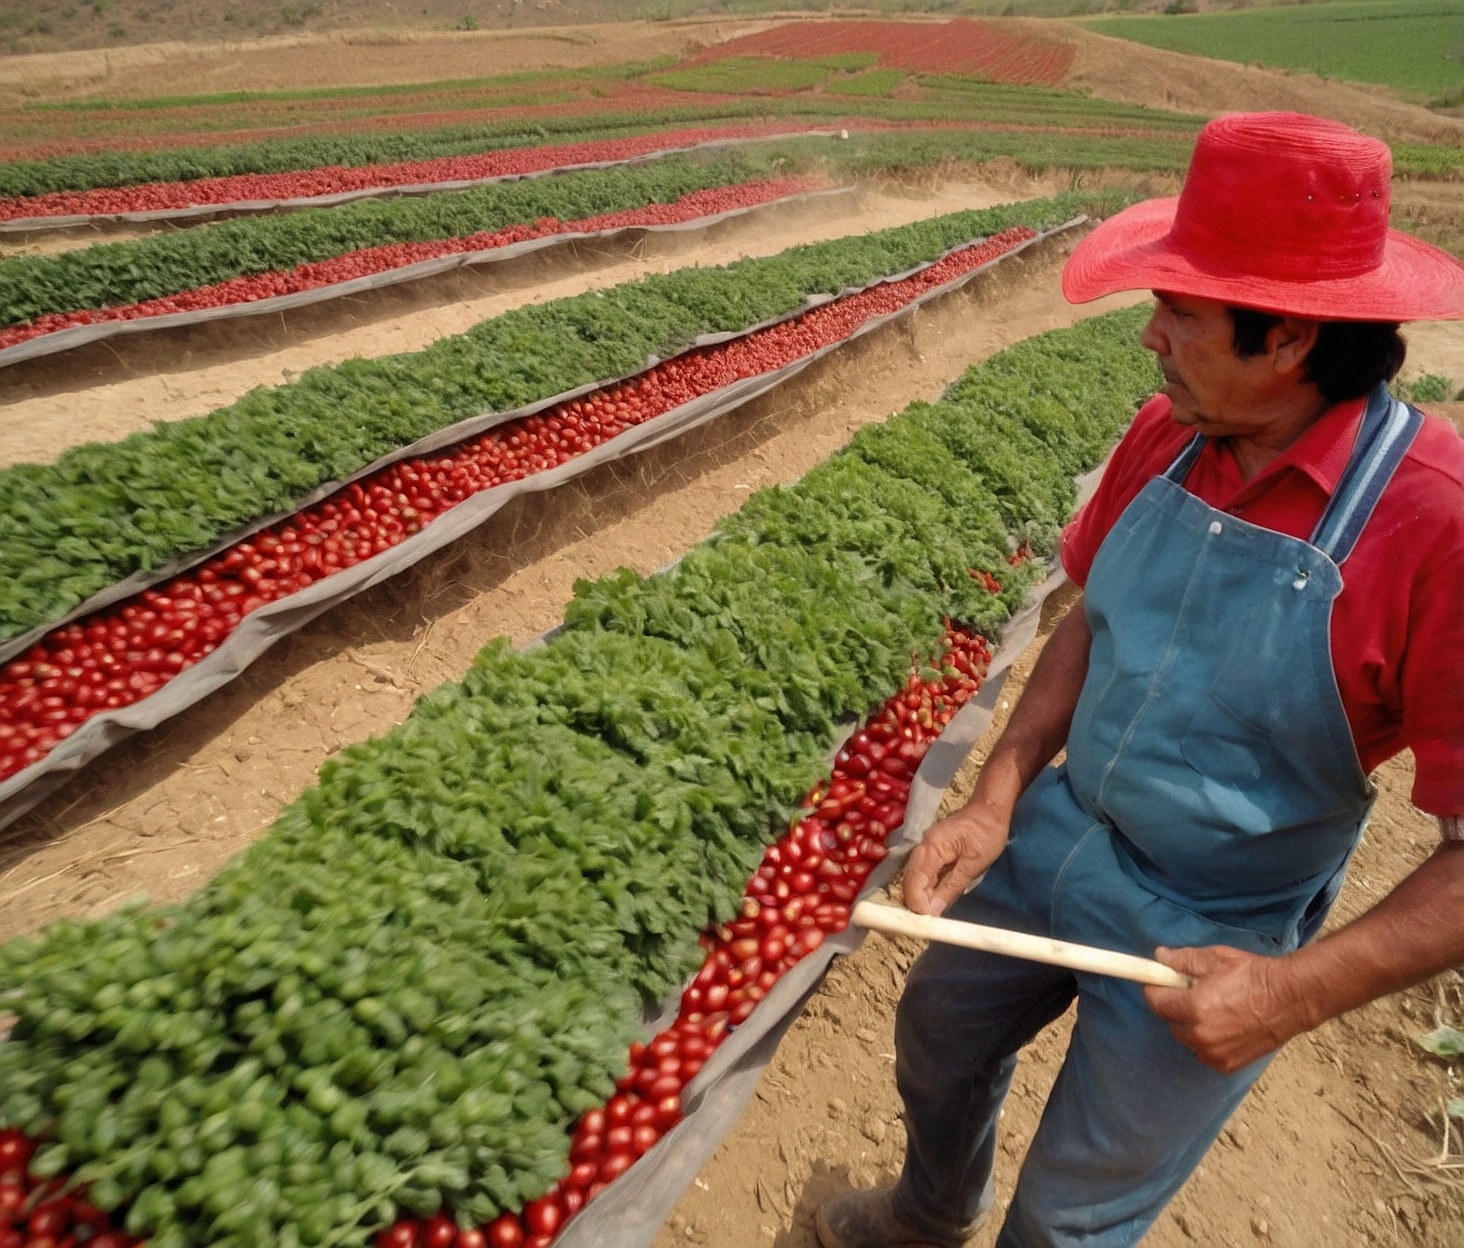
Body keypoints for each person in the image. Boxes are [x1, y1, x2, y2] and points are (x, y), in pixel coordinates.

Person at [815, 111, 1464, 1248]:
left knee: (1073, 1211)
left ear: (1291, 337)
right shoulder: (1166, 437)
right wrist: (1000, 793)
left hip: (1214, 916)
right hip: (1055, 835)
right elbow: (1089, 619)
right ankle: (929, 1214)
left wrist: (1290, 992)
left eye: (1182, 311)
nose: (1149, 335)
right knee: (939, 1041)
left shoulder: (1436, 527)